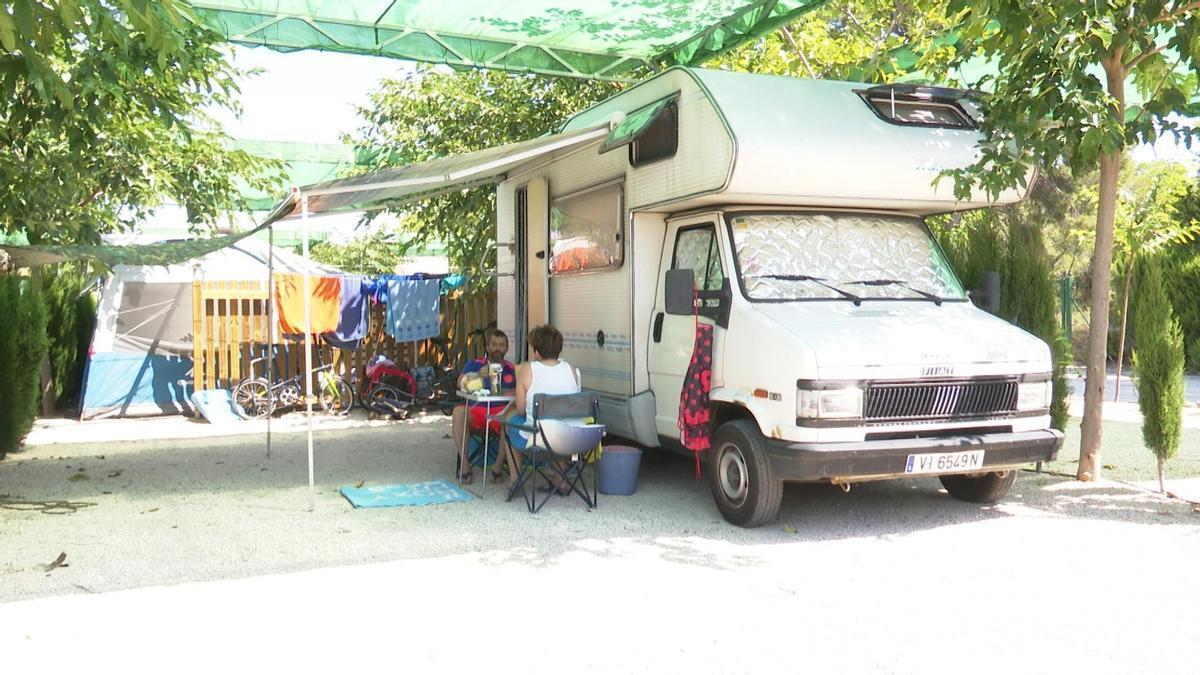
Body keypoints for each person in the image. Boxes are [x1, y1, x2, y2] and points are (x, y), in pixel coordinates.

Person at [502, 324, 580, 495]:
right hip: (570, 439)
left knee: (510, 419)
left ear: (536, 350)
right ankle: (560, 480)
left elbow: (522, 410)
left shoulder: (528, 370)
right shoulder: (572, 370)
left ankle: (515, 479)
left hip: (538, 440)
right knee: (559, 421)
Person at [453, 329, 517, 485]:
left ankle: (497, 468)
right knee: (458, 412)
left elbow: (522, 391)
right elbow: (459, 384)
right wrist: (477, 375)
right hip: (477, 411)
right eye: (494, 344)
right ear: (487, 346)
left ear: (507, 348)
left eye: (502, 345)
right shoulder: (474, 364)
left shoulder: (513, 368)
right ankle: (465, 466)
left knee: (511, 417)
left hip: (501, 413)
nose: (498, 348)